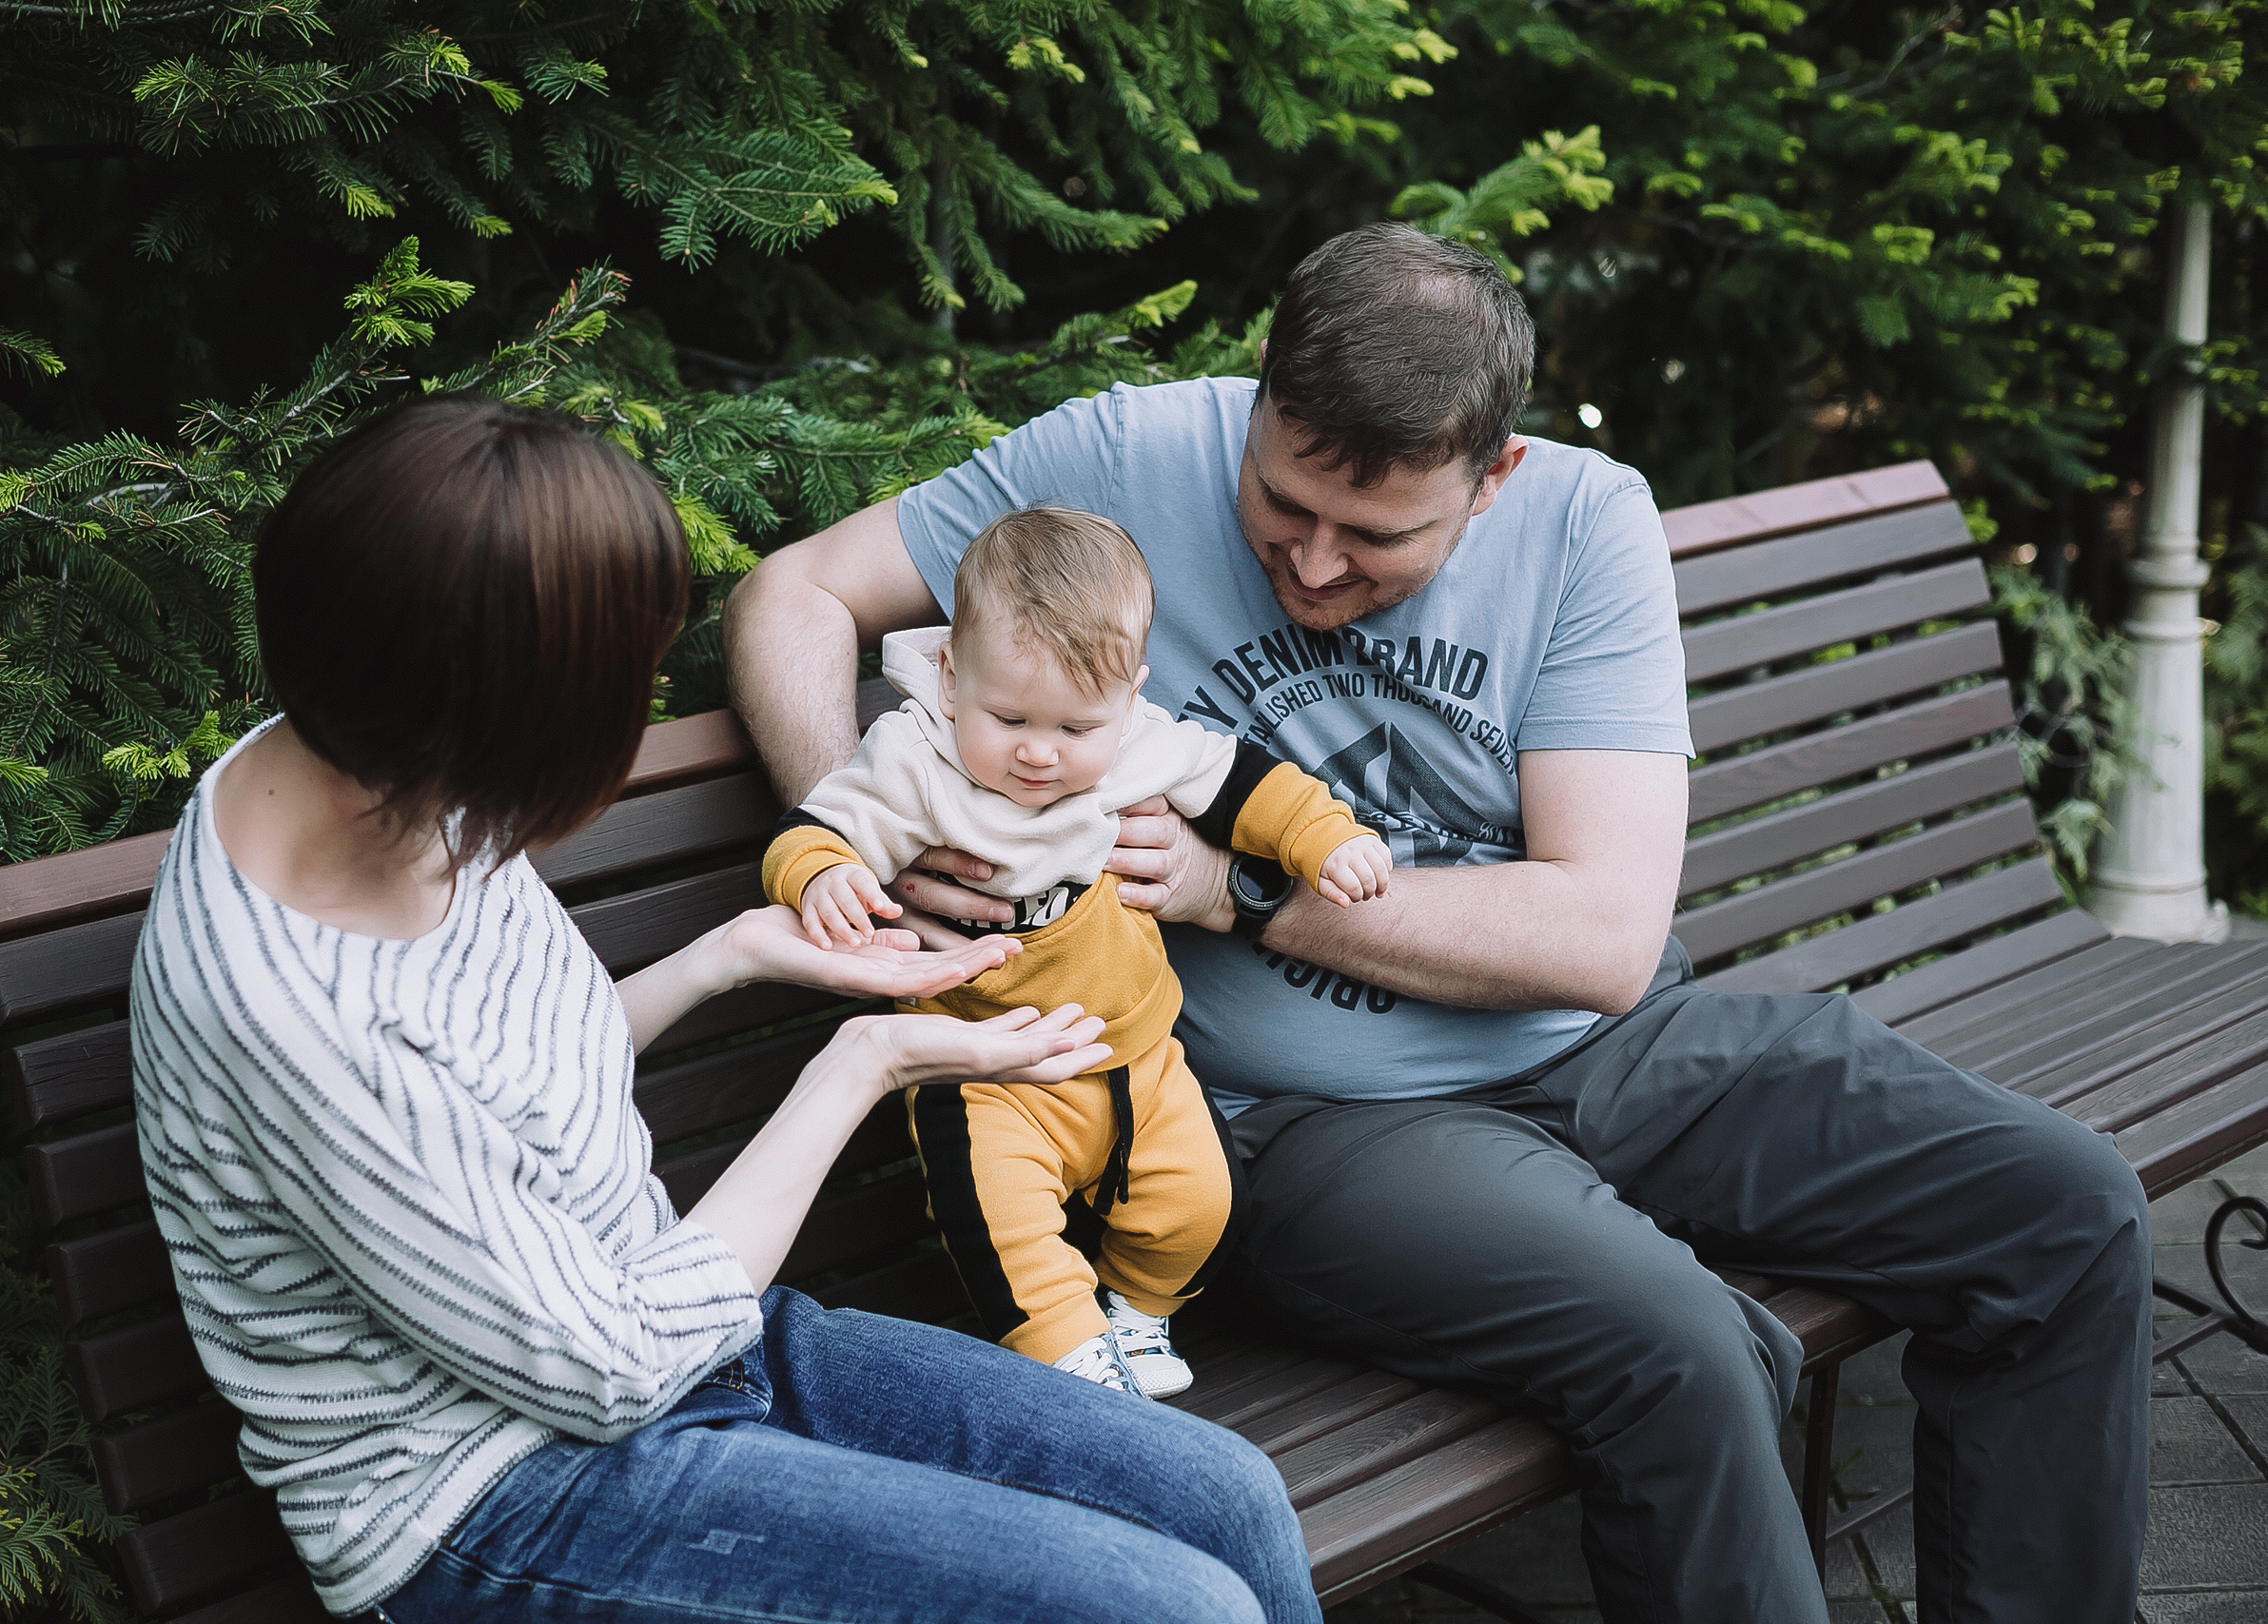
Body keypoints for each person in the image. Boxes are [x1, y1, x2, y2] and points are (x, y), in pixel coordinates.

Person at [723, 224, 2155, 1624]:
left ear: (1494, 477)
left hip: (1608, 1042)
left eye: (1378, 533)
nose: (1319, 565)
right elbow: (797, 588)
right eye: (1284, 507)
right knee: (1693, 1353)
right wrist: (871, 837)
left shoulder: (1585, 519)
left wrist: (1242, 890)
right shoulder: (1122, 456)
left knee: (2061, 1207)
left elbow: (1597, 937)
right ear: (1259, 403)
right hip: (1307, 1118)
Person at [127, 394, 1325, 1624]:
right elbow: (606, 1368)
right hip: (499, 1498)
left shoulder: (381, 756)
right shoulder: (293, 1015)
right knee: (1174, 1607)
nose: (631, 720)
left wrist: (728, 953)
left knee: (1228, 1497)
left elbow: (500, 1084)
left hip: (684, 1329)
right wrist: (858, 1063)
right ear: (503, 711)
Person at [765, 506, 1389, 1397]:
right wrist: (823, 873)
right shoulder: (913, 760)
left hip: (1131, 1054)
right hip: (984, 1069)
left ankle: (1138, 1311)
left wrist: (1325, 838)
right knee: (1004, 1227)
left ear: (1129, 697)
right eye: (1008, 715)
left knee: (1199, 1200)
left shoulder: (1136, 740)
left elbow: (1245, 786)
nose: (1038, 754)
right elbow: (818, 828)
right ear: (950, 677)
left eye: (1073, 730)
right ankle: (1068, 1354)